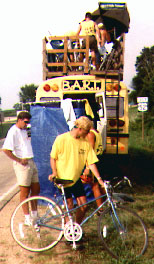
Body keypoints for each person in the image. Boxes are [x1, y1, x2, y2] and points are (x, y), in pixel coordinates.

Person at [49, 116, 104, 225]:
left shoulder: (85, 143)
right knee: (69, 205)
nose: (88, 133)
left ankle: (75, 228)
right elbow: (53, 158)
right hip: (63, 179)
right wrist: (54, 172)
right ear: (80, 128)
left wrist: (99, 179)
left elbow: (91, 162)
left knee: (84, 205)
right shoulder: (62, 139)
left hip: (75, 179)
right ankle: (67, 229)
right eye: (87, 131)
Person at [2, 111, 40, 225]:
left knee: (36, 188)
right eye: (25, 122)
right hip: (22, 165)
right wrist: (18, 160)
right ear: (19, 120)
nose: (27, 124)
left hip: (31, 161)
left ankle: (34, 214)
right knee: (24, 191)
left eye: (28, 122)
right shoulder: (13, 131)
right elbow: (6, 150)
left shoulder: (26, 130)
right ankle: (27, 217)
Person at [81, 116, 105, 210]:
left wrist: (87, 167)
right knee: (99, 184)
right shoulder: (96, 131)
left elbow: (90, 151)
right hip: (99, 158)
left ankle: (100, 209)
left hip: (94, 160)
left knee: (95, 186)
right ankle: (108, 202)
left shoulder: (90, 134)